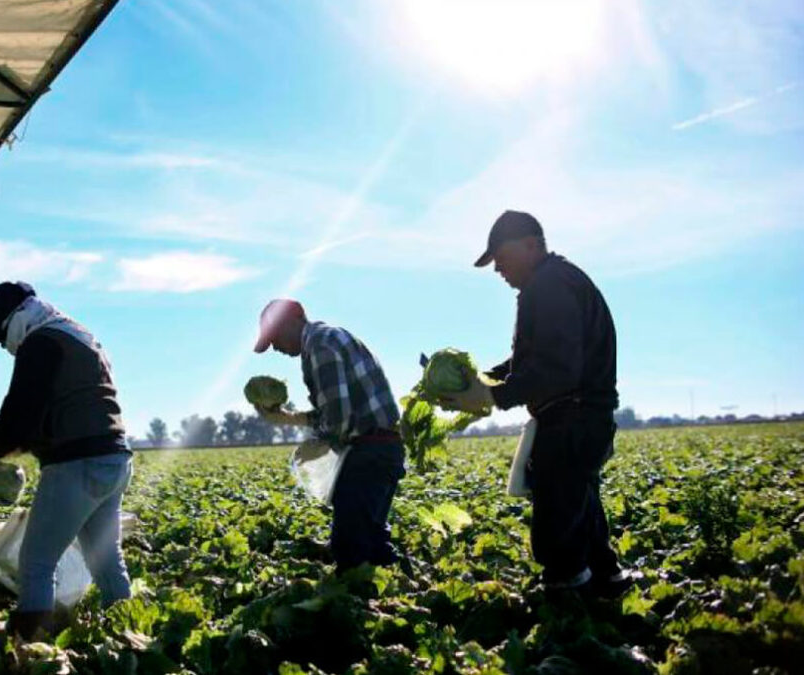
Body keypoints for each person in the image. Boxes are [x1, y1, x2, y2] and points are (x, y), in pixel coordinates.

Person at [442, 210, 634, 599]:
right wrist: (483, 381)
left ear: (532, 244)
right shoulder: (556, 282)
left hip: (572, 419)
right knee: (580, 509)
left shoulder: (548, 286)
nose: (497, 268)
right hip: (584, 419)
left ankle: (566, 611)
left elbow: (556, 369)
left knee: (557, 524)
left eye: (502, 256)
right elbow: (531, 361)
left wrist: (494, 396)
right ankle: (607, 585)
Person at [0, 281, 132, 639]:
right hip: (114, 459)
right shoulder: (77, 334)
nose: (3, 347)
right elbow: (52, 413)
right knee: (107, 562)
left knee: (36, 563)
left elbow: (19, 413)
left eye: (0, 339)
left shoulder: (40, 342)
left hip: (77, 465)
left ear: (12, 322)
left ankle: (31, 649)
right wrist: (17, 447)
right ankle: (129, 640)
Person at [252, 299, 407, 574]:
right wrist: (287, 418)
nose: (275, 346)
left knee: (350, 547)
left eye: (275, 337)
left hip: (368, 452)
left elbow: (338, 422)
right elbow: (337, 411)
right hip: (384, 448)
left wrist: (313, 446)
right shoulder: (329, 338)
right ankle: (404, 594)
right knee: (371, 539)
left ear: (296, 317)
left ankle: (361, 607)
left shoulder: (320, 346)